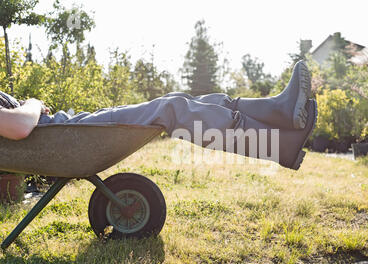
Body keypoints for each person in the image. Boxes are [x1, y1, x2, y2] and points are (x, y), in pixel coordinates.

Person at [0, 61, 317, 170]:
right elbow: (18, 128)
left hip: (70, 133)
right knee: (173, 108)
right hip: (69, 138)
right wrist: (31, 102)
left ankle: (280, 116)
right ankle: (277, 142)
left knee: (180, 101)